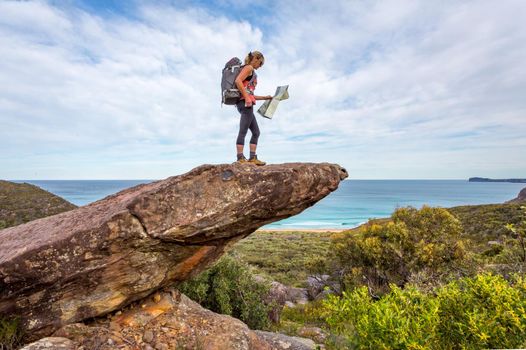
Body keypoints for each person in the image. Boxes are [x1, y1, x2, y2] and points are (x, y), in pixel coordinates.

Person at [234, 51, 272, 165]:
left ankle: (252, 158)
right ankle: (240, 158)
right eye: (260, 64)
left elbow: (249, 93)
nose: (260, 67)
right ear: (255, 58)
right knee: (243, 131)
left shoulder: (250, 70)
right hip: (245, 104)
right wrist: (246, 98)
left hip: (246, 103)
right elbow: (237, 81)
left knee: (256, 132)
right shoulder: (249, 68)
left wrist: (265, 97)